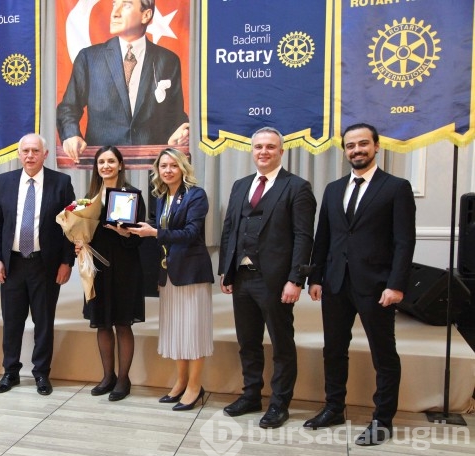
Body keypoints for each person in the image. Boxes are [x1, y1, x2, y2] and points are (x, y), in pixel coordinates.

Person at [304, 123, 416, 446]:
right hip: (335, 284)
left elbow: (404, 241)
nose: (357, 150)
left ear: (377, 146)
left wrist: (396, 285)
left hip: (377, 286)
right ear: (345, 150)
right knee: (333, 350)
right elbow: (323, 236)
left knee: (384, 354)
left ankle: (382, 419)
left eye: (363, 144)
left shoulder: (396, 187)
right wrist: (315, 277)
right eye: (351, 145)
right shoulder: (333, 189)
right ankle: (334, 407)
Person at [217, 127, 316, 429]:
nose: (263, 151)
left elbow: (303, 237)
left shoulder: (297, 187)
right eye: (258, 146)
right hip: (242, 278)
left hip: (275, 281)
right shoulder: (239, 185)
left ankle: (279, 404)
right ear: (252, 150)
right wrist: (226, 269)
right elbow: (230, 228)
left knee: (281, 344)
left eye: (270, 147)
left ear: (281, 152)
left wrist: (296, 279)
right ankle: (250, 395)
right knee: (248, 342)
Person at [0, 133, 75, 396]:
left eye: (35, 151)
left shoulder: (61, 182)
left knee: (44, 322)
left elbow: (71, 226)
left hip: (45, 266)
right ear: (18, 154)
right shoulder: (5, 181)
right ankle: (10, 372)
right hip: (12, 264)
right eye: (25, 151)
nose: (29, 155)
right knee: (12, 322)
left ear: (45, 154)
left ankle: (41, 373)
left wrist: (66, 261)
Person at [128, 148, 213, 411]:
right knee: (177, 331)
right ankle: (181, 381)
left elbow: (189, 233)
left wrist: (154, 232)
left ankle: (195, 386)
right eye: (163, 166)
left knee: (194, 332)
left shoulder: (196, 195)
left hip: (192, 273)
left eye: (173, 166)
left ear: (183, 168)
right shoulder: (161, 197)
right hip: (169, 274)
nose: (167, 170)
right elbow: (157, 232)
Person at [57, 0, 189, 161]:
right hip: (103, 164)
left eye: (125, 5)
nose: (115, 13)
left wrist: (181, 132)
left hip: (152, 166)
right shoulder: (89, 58)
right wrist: (71, 135)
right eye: (114, 4)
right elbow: (68, 108)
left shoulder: (168, 60)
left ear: (146, 15)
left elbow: (175, 115)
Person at [76, 146, 145, 401]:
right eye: (101, 161)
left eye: (111, 161)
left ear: (120, 165)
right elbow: (81, 229)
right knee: (102, 324)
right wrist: (78, 241)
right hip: (97, 268)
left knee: (123, 323)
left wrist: (126, 233)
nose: (106, 166)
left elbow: (140, 238)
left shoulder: (132, 195)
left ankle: (124, 380)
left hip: (125, 267)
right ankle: (108, 376)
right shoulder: (88, 198)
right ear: (96, 167)